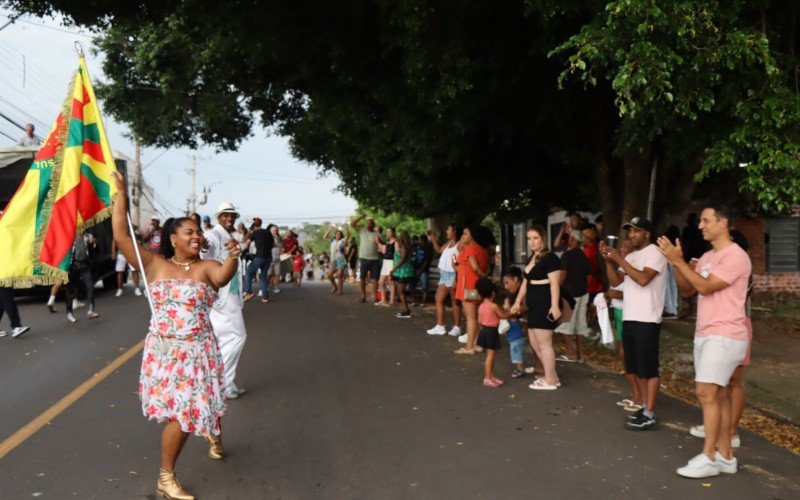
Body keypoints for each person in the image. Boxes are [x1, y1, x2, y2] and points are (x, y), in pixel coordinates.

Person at [112, 172, 240, 499]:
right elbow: (122, 235)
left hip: (198, 350)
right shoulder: (154, 264)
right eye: (189, 232)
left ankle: (168, 474)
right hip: (164, 352)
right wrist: (120, 195)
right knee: (184, 412)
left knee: (191, 409)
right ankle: (191, 452)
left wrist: (233, 257)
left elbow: (223, 277)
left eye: (198, 232)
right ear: (173, 238)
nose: (196, 236)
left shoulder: (207, 266)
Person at [657, 204, 751, 478]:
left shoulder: (736, 256)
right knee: (717, 396)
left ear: (724, 223)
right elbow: (689, 290)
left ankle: (709, 457)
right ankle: (725, 457)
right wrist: (677, 262)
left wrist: (678, 262)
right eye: (700, 221)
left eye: (706, 220)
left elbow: (706, 286)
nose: (700, 226)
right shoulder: (708, 256)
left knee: (705, 393)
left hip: (725, 334)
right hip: (706, 333)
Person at [600, 216, 667, 431]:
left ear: (647, 233)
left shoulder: (655, 253)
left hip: (647, 318)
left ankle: (649, 412)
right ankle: (645, 407)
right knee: (636, 367)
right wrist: (609, 261)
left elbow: (643, 279)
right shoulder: (633, 256)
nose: (631, 235)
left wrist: (620, 259)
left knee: (649, 369)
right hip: (630, 316)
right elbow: (616, 281)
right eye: (629, 231)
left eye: (636, 231)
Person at [202, 202, 248, 400]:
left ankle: (221, 382)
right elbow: (205, 249)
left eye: (232, 216)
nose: (229, 219)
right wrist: (203, 246)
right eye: (225, 216)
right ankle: (225, 384)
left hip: (231, 293)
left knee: (224, 340)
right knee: (237, 336)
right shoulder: (213, 235)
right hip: (222, 294)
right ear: (218, 217)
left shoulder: (230, 236)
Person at [511, 226, 562, 390]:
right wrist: (517, 301)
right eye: (529, 238)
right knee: (534, 342)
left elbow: (555, 284)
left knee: (545, 344)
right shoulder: (533, 258)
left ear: (543, 239)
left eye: (535, 238)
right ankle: (552, 376)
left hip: (545, 304)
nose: (532, 241)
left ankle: (550, 380)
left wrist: (554, 306)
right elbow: (525, 283)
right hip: (533, 305)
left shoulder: (551, 258)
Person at [606, 240, 643, 412]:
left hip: (635, 314)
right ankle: (636, 394)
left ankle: (641, 396)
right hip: (620, 313)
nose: (621, 250)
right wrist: (608, 261)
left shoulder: (638, 264)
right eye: (621, 247)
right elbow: (614, 282)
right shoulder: (623, 266)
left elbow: (640, 290)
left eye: (626, 248)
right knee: (624, 357)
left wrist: (618, 295)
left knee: (630, 356)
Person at [453, 225, 490, 355]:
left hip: (468, 287)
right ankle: (477, 344)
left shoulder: (471, 249)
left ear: (473, 236)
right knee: (476, 317)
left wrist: (483, 275)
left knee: (471, 318)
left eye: (466, 234)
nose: (463, 236)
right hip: (477, 287)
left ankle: (469, 347)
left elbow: (474, 268)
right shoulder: (482, 250)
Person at [555, 229, 591, 362]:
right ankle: (581, 355)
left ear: (573, 240)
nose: (568, 240)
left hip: (570, 293)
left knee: (565, 323)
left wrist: (556, 289)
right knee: (580, 325)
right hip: (583, 293)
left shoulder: (567, 255)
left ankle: (571, 352)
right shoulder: (584, 256)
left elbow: (563, 274)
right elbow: (588, 278)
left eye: (570, 238)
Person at [426, 224, 463, 337]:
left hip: (452, 274)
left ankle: (457, 327)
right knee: (439, 298)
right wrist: (432, 238)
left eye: (448, 229)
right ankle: (440, 326)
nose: (447, 231)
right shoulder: (449, 243)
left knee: (454, 300)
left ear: (454, 231)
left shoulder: (460, 244)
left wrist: (456, 272)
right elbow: (439, 250)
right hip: (444, 274)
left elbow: (457, 258)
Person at [475, 278, 512, 387]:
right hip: (491, 331)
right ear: (492, 293)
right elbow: (503, 316)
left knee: (491, 356)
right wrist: (511, 311)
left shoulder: (481, 306)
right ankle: (487, 378)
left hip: (485, 330)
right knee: (490, 356)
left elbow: (479, 321)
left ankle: (491, 376)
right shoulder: (493, 305)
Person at [63, 231, 100, 322]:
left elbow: (97, 251)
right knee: (70, 289)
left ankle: (91, 310)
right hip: (73, 266)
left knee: (90, 286)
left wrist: (95, 243)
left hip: (85, 265)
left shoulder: (89, 236)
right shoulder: (69, 236)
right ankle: (69, 313)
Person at [502, 267, 529, 378]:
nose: (506, 286)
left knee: (516, 347)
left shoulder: (525, 293)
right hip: (522, 328)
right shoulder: (515, 295)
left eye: (507, 283)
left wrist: (508, 310)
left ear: (516, 279)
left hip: (525, 328)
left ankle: (524, 369)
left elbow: (525, 308)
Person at [350, 214, 382, 303]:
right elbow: (352, 223)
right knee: (362, 278)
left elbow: (382, 243)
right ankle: (363, 296)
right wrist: (361, 216)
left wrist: (379, 240)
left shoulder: (377, 233)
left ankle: (375, 297)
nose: (369, 224)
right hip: (364, 258)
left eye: (371, 222)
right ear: (365, 224)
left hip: (375, 258)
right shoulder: (361, 230)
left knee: (375, 278)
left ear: (373, 224)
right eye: (367, 222)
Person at [243, 218, 272, 303]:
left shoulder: (254, 233)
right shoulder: (268, 232)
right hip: (268, 258)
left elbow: (247, 243)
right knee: (263, 277)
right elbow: (273, 245)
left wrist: (240, 250)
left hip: (259, 257)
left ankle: (248, 292)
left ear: (254, 226)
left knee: (248, 272)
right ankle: (265, 297)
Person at [392, 231, 416, 318]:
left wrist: (394, 268)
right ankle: (406, 309)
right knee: (400, 291)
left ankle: (406, 311)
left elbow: (403, 259)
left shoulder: (404, 248)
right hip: (403, 271)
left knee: (401, 291)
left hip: (404, 271)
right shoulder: (405, 246)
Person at [324, 224, 348, 295]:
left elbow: (348, 236)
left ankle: (340, 290)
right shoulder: (332, 240)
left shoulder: (343, 240)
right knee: (329, 275)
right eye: (336, 234)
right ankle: (335, 286)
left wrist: (347, 229)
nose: (338, 235)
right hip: (333, 259)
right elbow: (324, 237)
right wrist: (329, 230)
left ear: (341, 235)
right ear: (335, 235)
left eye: (339, 234)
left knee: (339, 274)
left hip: (341, 258)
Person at [663, 225, 681, 319]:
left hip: (667, 261)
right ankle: (674, 308)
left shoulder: (666, 243)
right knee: (673, 285)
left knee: (667, 285)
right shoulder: (677, 242)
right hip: (675, 263)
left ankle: (669, 308)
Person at [376, 227, 397, 306]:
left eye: (389, 232)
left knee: (391, 282)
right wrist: (380, 247)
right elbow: (384, 252)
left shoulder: (396, 242)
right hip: (385, 262)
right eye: (387, 232)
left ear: (393, 233)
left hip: (392, 262)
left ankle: (391, 301)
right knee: (380, 282)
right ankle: (383, 299)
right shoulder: (387, 241)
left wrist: (394, 266)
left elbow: (396, 254)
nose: (388, 233)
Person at [411, 234, 433, 306]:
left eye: (420, 239)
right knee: (413, 284)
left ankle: (423, 301)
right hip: (416, 268)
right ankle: (414, 300)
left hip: (423, 270)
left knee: (424, 285)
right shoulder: (417, 247)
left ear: (423, 240)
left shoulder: (428, 248)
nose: (419, 241)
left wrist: (421, 269)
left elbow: (427, 260)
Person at [266, 224, 283, 294]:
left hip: (277, 258)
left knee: (277, 273)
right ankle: (266, 286)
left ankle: (276, 287)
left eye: (276, 230)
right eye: (273, 230)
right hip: (270, 258)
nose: (275, 231)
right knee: (269, 274)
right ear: (270, 231)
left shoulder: (279, 237)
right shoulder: (268, 237)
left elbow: (281, 246)